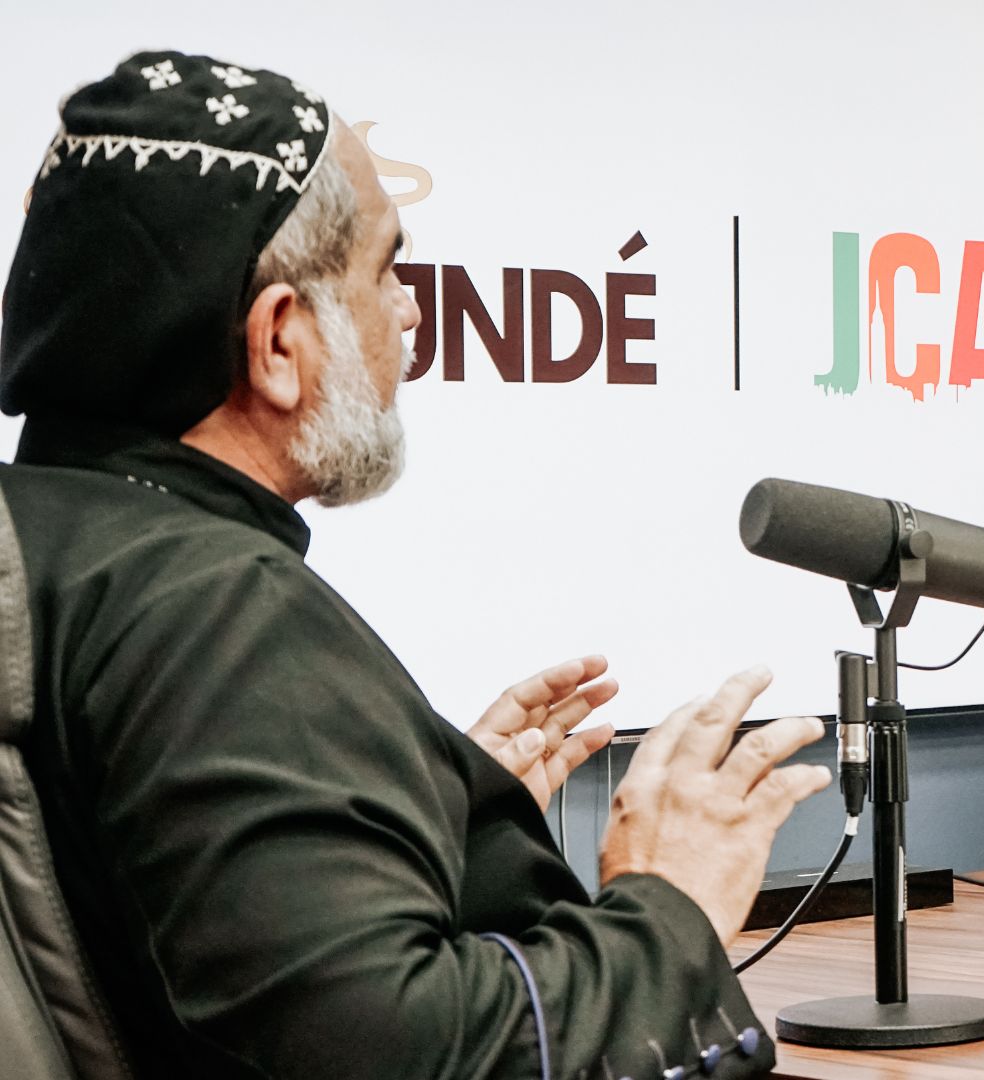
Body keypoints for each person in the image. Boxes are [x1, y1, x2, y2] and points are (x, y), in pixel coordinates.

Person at [0, 51, 830, 1077]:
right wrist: (669, 907)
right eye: (387, 270)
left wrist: (405, 815)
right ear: (278, 341)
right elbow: (398, 1052)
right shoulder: (220, 613)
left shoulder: (58, 546)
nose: (409, 312)